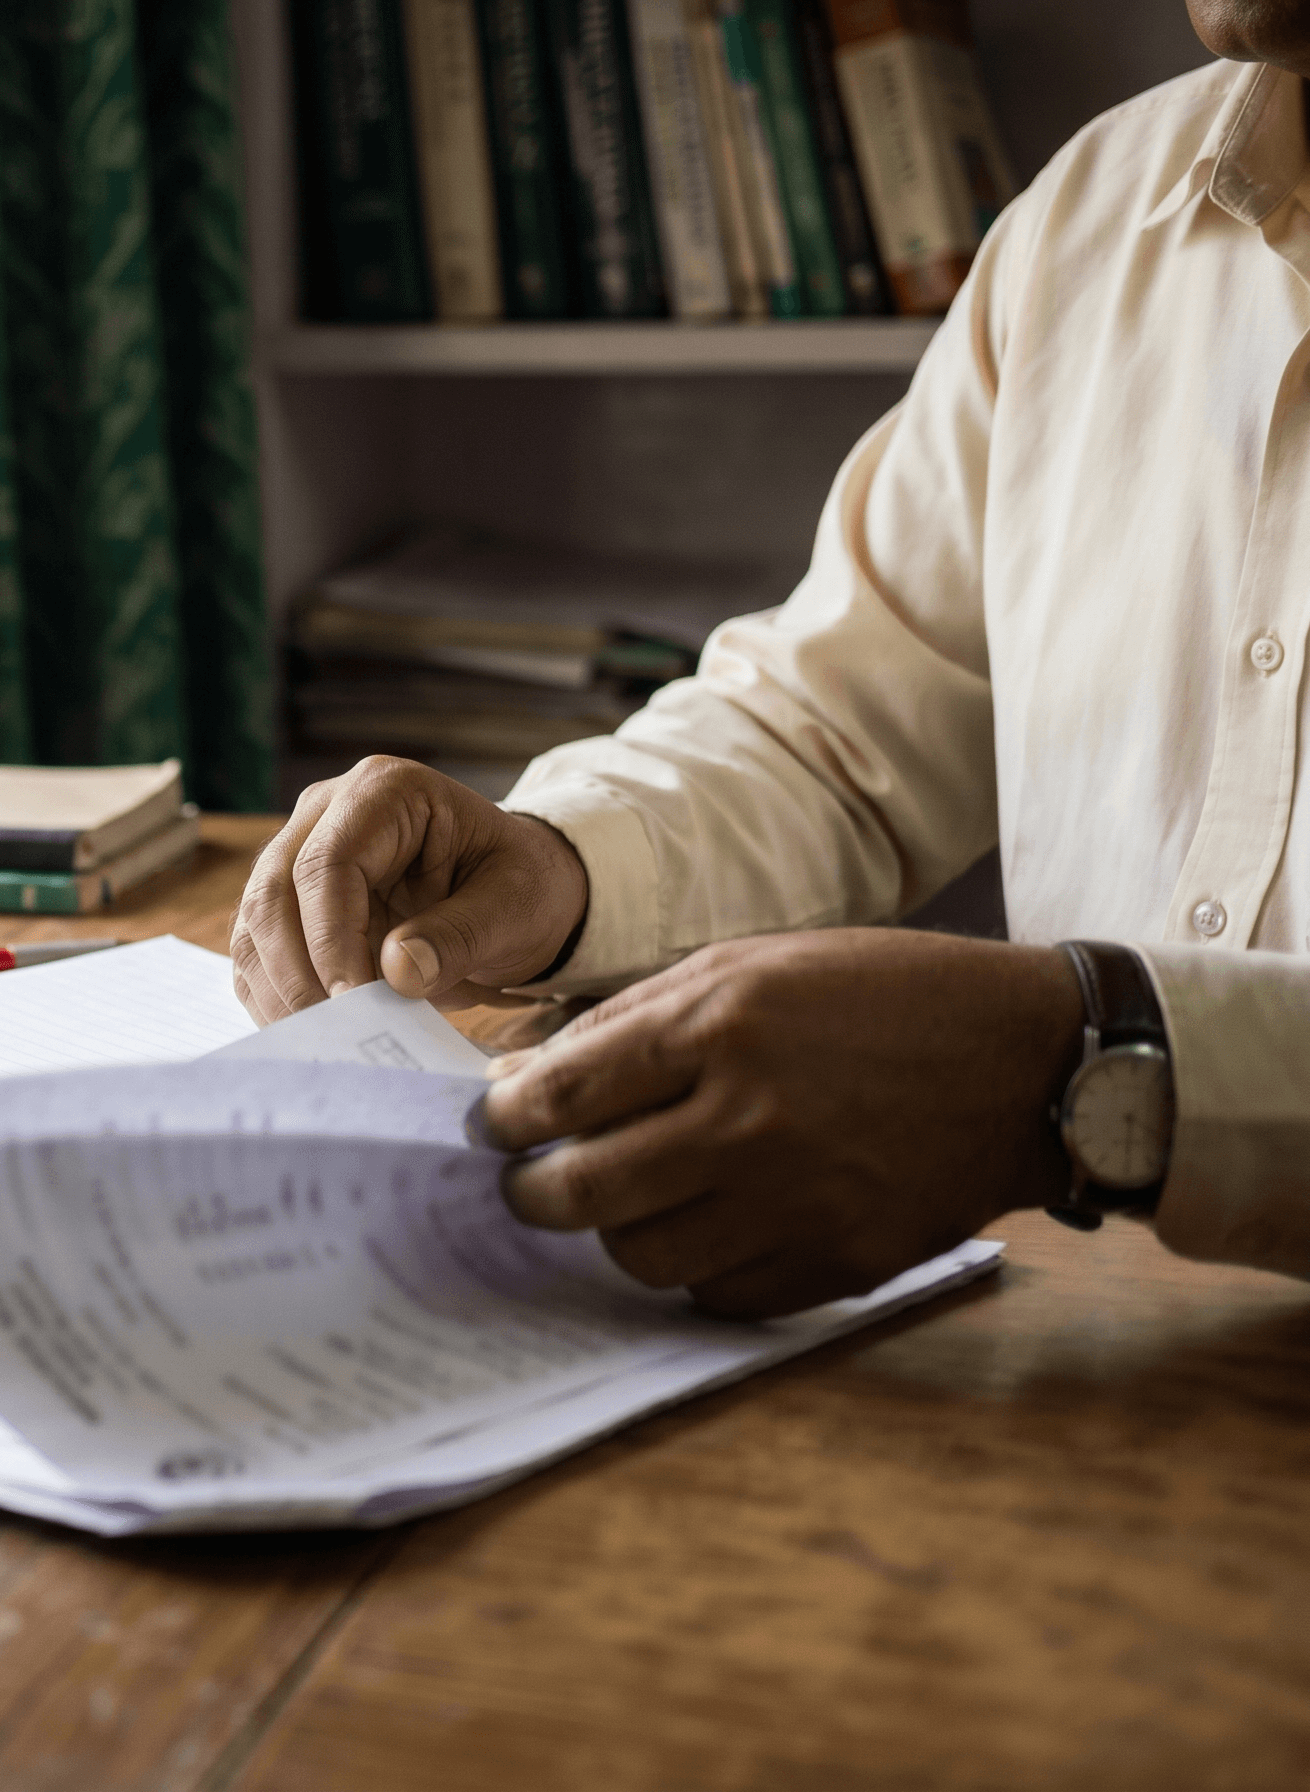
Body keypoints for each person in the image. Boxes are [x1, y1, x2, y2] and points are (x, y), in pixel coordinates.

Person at [231, 2, 1310, 1318]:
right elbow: (838, 732)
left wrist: (1090, 1071)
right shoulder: (1094, 218)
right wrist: (559, 864)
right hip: (1088, 1368)